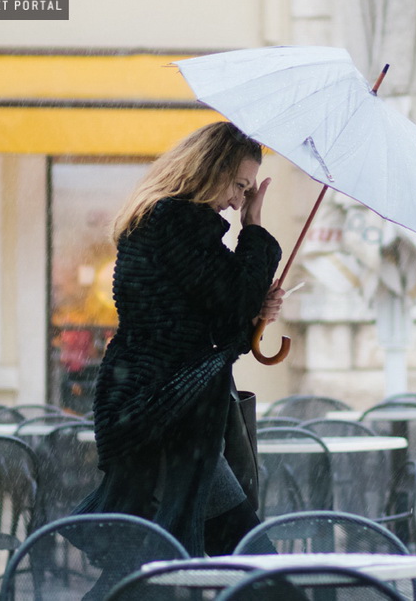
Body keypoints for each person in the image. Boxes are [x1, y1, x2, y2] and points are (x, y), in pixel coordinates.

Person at [73, 121, 285, 561]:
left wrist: (255, 313)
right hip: (166, 413)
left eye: (246, 194)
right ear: (210, 168)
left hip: (161, 410)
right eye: (238, 186)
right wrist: (254, 228)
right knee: (240, 554)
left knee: (162, 559)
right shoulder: (175, 223)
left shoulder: (173, 223)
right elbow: (229, 308)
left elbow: (220, 327)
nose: (237, 201)